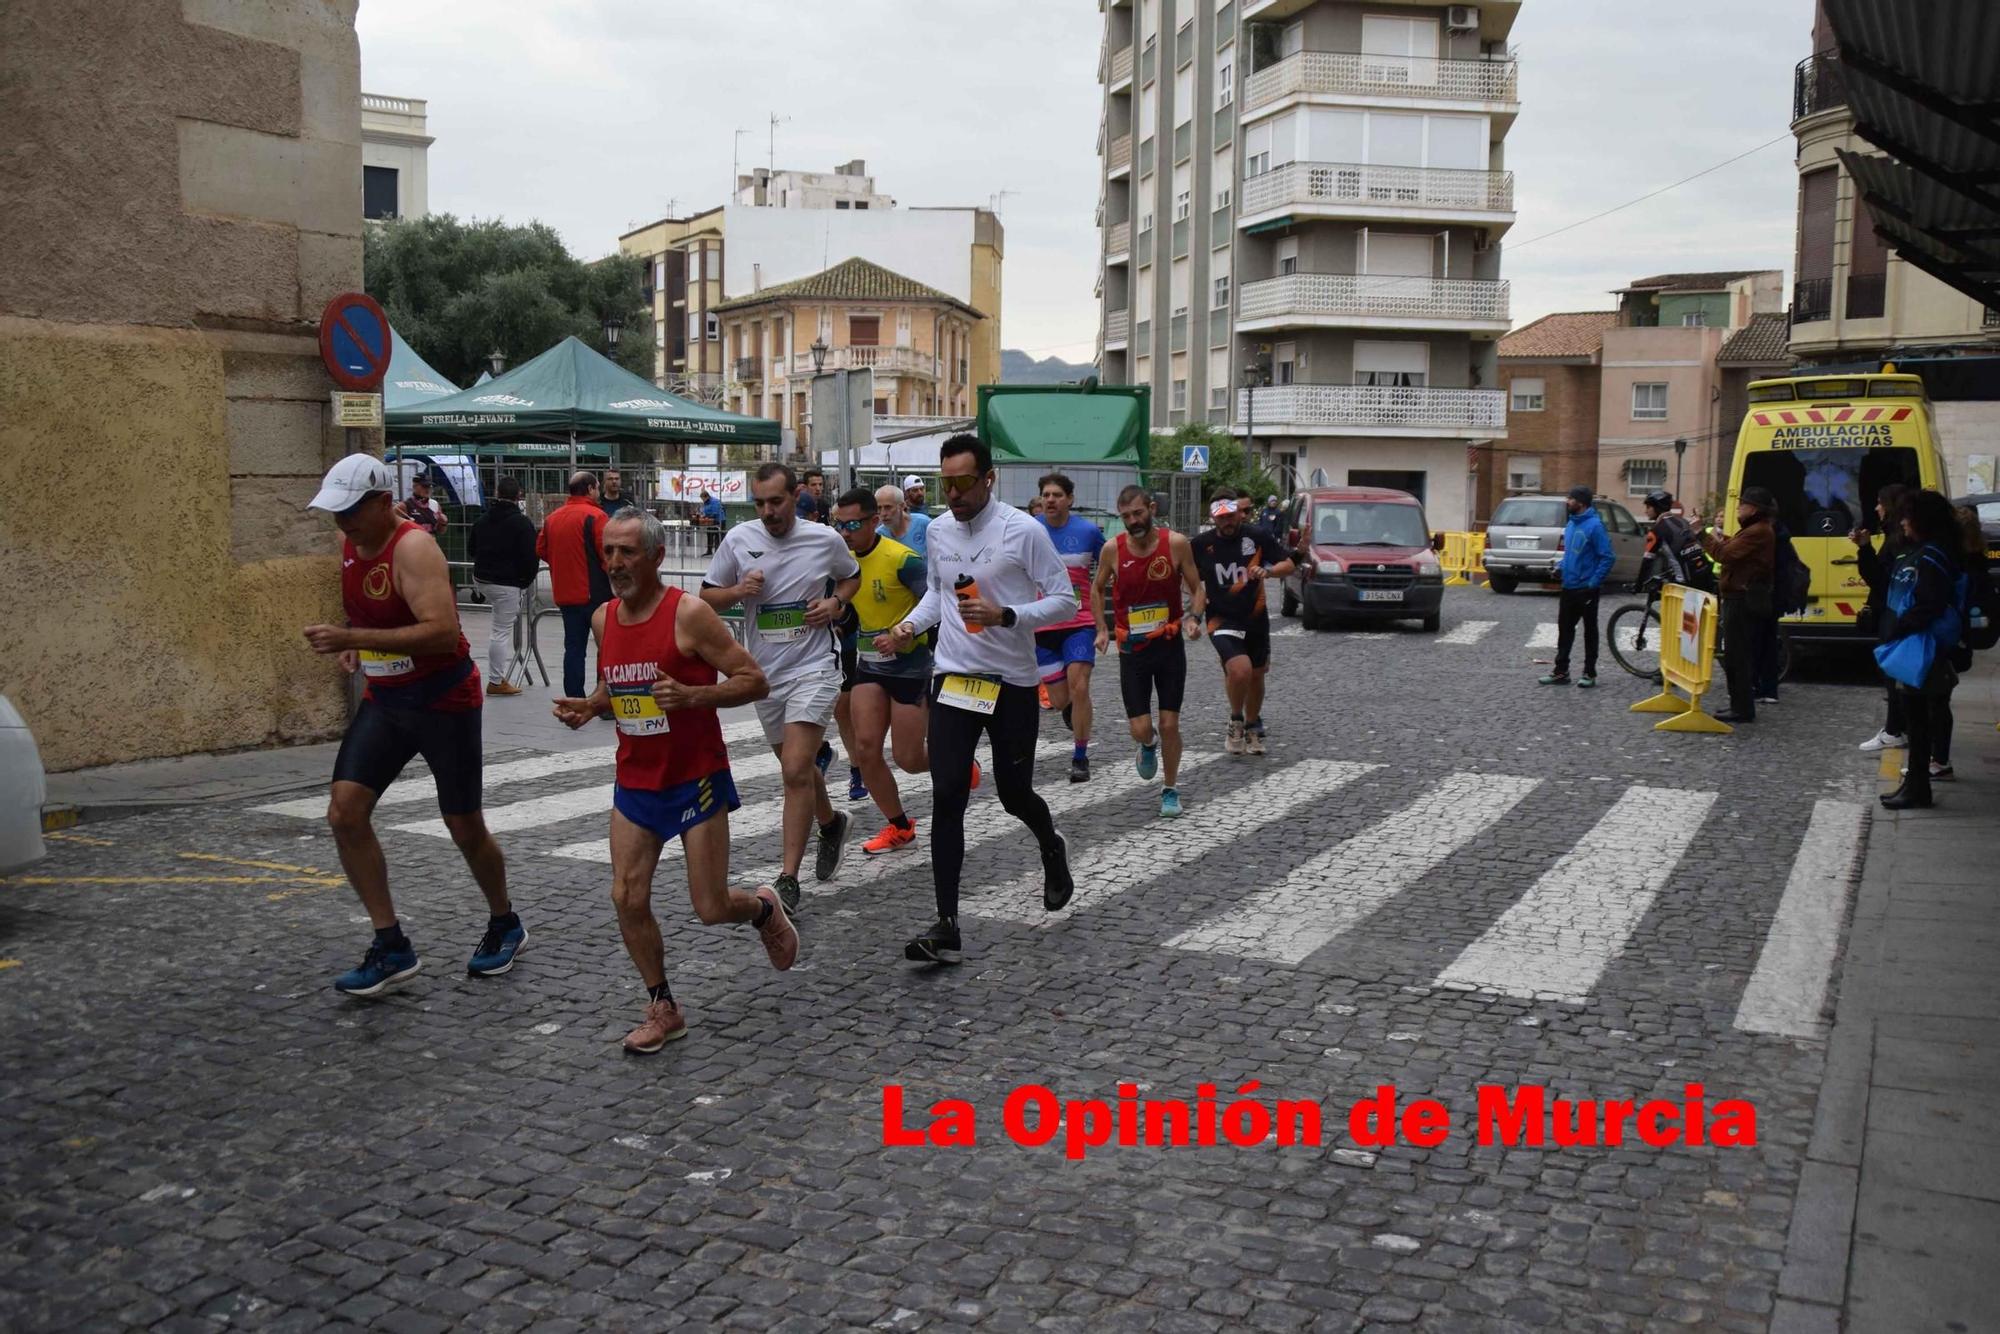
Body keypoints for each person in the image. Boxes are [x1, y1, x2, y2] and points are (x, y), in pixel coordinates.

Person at [551, 510, 795, 1052]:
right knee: (626, 895)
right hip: (636, 779)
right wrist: (591, 706)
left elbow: (754, 680)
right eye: (608, 552)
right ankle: (663, 1005)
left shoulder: (690, 615)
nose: (615, 563)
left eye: (627, 553)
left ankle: (761, 908)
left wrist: (692, 696)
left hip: (694, 776)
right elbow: (618, 687)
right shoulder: (602, 619)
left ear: (657, 557)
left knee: (709, 908)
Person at [301, 455, 523, 997]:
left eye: (350, 512)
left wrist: (354, 641)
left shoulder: (416, 548)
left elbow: (443, 634)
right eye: (335, 514)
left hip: (443, 700)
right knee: (344, 814)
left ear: (382, 504)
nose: (342, 524)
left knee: (463, 825)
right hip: (387, 699)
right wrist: (357, 639)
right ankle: (391, 943)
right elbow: (368, 611)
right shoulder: (349, 542)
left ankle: (504, 921)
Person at [875, 433, 1078, 963]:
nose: (955, 493)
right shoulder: (939, 530)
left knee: (1015, 795)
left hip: (1010, 680)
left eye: (965, 482)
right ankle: (947, 925)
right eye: (947, 483)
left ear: (989, 479)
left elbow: (1064, 600)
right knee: (947, 795)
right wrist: (905, 628)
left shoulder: (1023, 530)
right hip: (955, 678)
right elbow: (940, 596)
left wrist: (1008, 615)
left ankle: (1050, 846)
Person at [702, 463, 860, 912]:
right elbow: (705, 595)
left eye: (776, 501)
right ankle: (830, 824)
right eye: (760, 503)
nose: (768, 511)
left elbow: (851, 576)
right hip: (764, 674)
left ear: (795, 498)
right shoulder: (739, 540)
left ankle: (788, 878)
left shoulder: (824, 538)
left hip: (815, 665)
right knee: (799, 766)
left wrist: (834, 602)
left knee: (793, 769)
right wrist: (737, 589)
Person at [829, 487, 979, 853]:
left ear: (873, 521)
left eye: (852, 524)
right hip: (869, 666)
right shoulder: (843, 564)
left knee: (909, 759)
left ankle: (959, 762)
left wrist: (905, 635)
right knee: (866, 750)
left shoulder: (903, 559)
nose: (845, 532)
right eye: (839, 524)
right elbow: (852, 612)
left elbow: (939, 603)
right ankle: (900, 826)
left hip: (910, 667)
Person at [1092, 483, 1204, 818]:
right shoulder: (1112, 550)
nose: (1133, 521)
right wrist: (1101, 629)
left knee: (1170, 723)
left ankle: (1170, 789)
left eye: (1138, 513)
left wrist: (1194, 618)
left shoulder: (1176, 544)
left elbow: (1198, 588)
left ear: (1152, 509)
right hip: (1133, 650)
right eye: (1126, 516)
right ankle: (1147, 745)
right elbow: (1096, 589)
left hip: (1169, 646)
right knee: (1141, 727)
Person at [1877, 490, 1966, 810]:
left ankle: (1917, 787)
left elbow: (1930, 602)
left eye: (1907, 516)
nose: (1902, 522)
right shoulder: (1922, 550)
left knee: (1919, 718)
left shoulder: (1933, 556)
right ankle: (1914, 784)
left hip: (1922, 644)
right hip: (1914, 640)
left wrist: (1900, 627)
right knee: (1914, 716)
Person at [1191, 494, 1296, 754]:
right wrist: (1194, 610)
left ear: (1239, 514)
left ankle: (1251, 725)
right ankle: (1236, 719)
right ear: (1213, 517)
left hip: (1255, 618)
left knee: (1257, 675)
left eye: (1231, 515)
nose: (1227, 522)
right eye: (1221, 517)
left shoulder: (1256, 536)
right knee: (1240, 670)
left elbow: (1289, 564)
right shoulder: (1201, 544)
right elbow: (1187, 575)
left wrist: (1268, 571)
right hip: (1221, 618)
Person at [1035, 472, 1107, 783]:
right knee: (1062, 699)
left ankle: (1080, 756)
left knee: (1080, 687)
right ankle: (1074, 714)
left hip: (1079, 622)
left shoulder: (1088, 532)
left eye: (1056, 495)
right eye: (1046, 495)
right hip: (1040, 625)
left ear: (1070, 500)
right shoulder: (1030, 529)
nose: (1050, 500)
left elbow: (1113, 561)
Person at [1909, 504, 1987, 786]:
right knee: (1940, 699)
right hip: (1958, 637)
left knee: (1937, 701)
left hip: (1948, 637)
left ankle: (1938, 760)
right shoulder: (1970, 558)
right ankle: (1936, 758)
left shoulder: (1954, 561)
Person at [1700, 486, 1779, 724]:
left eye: (1741, 505)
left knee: (1738, 655)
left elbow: (1725, 555)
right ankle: (1738, 704)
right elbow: (1732, 547)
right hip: (1738, 596)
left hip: (1742, 599)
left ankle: (1742, 708)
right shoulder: (1754, 530)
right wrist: (1720, 538)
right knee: (1734, 654)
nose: (1738, 509)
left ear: (1753, 509)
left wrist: (1701, 536)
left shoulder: (1758, 531)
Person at [537, 471, 614, 699]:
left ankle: (573, 697)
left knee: (573, 648)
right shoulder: (596, 516)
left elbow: (541, 549)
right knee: (606, 646)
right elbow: (606, 553)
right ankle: (604, 698)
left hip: (565, 593)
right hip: (595, 593)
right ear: (590, 488)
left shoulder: (553, 518)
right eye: (597, 487)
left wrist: (562, 562)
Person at [1853, 482, 1914, 752]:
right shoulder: (1895, 537)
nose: (1876, 508)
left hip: (1894, 614)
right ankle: (1897, 727)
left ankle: (1895, 730)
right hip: (1893, 612)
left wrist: (1865, 549)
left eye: (1880, 502)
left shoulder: (1897, 541)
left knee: (1894, 675)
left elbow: (1879, 578)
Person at [468, 475, 538, 698]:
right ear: (519, 496)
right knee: (499, 632)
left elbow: (471, 549)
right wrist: (523, 583)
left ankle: (498, 678)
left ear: (497, 494)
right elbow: (531, 558)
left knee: (498, 628)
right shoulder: (522, 523)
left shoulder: (482, 520)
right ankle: (496, 681)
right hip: (507, 584)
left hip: (482, 579)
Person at [1538, 486, 1615, 689]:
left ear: (1581, 502)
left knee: (1590, 631)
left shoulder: (1595, 526)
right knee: (1564, 630)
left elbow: (1607, 557)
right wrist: (1560, 568)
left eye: (1570, 498)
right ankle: (1561, 671)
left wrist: (1593, 583)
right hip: (1569, 586)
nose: (1567, 502)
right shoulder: (1571, 524)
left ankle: (1589, 672)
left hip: (1586, 589)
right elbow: (1571, 554)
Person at [1638, 489, 1714, 592]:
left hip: (1686, 581)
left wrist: (1638, 585)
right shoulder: (1682, 521)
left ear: (1657, 507)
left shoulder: (1657, 530)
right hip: (1705, 572)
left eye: (1648, 507)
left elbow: (1647, 561)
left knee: (1678, 606)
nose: (1645, 511)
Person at [876, 482, 929, 559]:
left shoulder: (924, 524)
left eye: (888, 507)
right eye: (879, 508)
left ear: (902, 506)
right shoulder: (879, 536)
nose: (883, 513)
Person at [398, 469, 448, 537]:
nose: (427, 489)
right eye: (424, 486)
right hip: (413, 544)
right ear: (414, 486)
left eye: (429, 486)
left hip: (430, 544)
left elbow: (441, 531)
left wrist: (443, 523)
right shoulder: (404, 506)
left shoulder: (435, 505)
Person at [699, 487, 726, 554]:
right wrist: (703, 515)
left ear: (707, 497)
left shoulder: (715, 501)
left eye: (703, 499)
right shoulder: (706, 502)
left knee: (718, 536)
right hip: (711, 521)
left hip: (719, 520)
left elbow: (715, 513)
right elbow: (706, 511)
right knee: (709, 534)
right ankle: (709, 550)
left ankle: (718, 552)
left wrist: (706, 517)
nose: (702, 500)